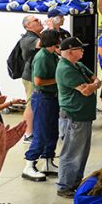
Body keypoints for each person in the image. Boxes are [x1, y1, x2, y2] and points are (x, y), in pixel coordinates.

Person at [56, 37, 101, 198]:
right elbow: (87, 90)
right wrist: (93, 85)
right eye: (79, 49)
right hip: (73, 116)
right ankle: (65, 185)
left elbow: (95, 80)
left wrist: (93, 84)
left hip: (83, 115)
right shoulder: (66, 69)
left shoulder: (77, 65)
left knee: (82, 152)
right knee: (72, 152)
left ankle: (74, 183)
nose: (82, 51)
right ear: (69, 51)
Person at [21, 29, 61, 181]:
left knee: (52, 132)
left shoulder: (52, 55)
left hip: (52, 97)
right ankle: (29, 165)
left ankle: (48, 162)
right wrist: (59, 79)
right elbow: (38, 81)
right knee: (42, 132)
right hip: (43, 98)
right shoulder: (42, 57)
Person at [17, 14, 44, 138]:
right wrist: (51, 27)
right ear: (28, 26)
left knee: (37, 104)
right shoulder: (28, 39)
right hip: (30, 77)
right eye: (35, 20)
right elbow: (44, 43)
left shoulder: (38, 36)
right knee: (31, 105)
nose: (39, 21)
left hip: (38, 75)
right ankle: (27, 133)